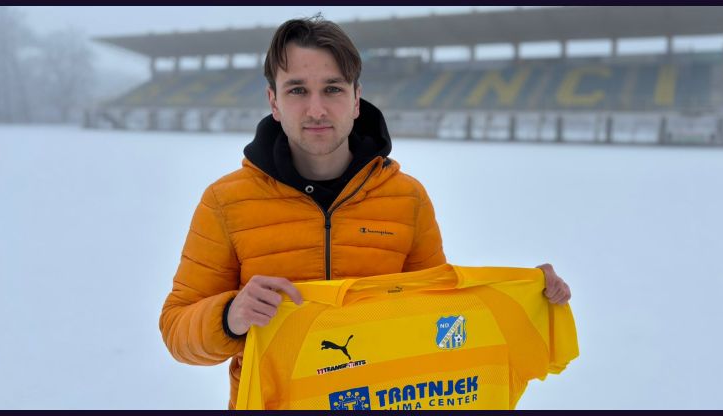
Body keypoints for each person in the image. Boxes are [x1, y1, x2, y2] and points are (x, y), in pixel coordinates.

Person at [159, 15, 571, 410]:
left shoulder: (406, 199)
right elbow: (176, 328)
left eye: (333, 89)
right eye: (297, 90)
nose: (316, 109)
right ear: (274, 102)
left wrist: (522, 293)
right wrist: (230, 316)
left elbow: (437, 314)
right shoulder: (226, 201)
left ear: (356, 99)